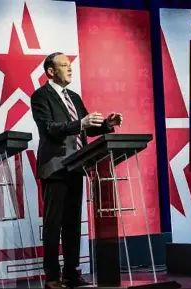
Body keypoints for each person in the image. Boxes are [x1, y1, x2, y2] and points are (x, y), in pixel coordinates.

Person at [30, 52, 123, 289]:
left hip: (77, 165)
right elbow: (50, 129)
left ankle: (72, 273)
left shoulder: (73, 96)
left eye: (70, 65)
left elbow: (85, 129)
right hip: (55, 168)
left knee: (72, 224)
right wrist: (80, 123)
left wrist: (105, 125)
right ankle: (52, 277)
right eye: (64, 65)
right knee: (54, 224)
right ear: (50, 71)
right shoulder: (40, 96)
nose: (70, 69)